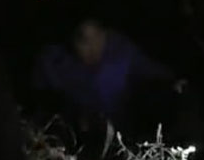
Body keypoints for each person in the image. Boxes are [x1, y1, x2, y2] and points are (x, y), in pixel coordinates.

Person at [32, 19, 188, 146]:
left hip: (123, 133)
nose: (93, 48)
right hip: (78, 139)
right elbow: (41, 102)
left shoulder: (120, 50)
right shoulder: (55, 63)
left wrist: (174, 80)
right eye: (84, 41)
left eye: (98, 37)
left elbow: (148, 68)